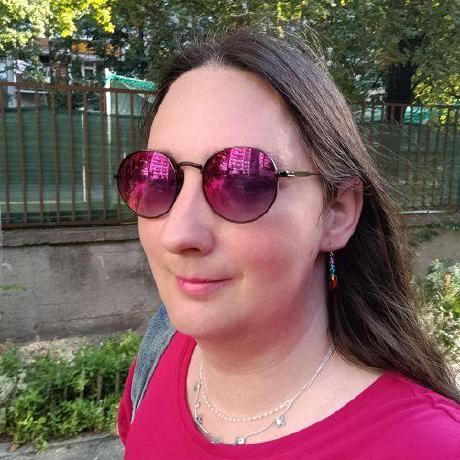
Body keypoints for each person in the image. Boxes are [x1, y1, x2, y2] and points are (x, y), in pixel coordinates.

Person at [116, 27, 460, 459]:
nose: (178, 233)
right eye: (157, 178)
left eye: (242, 181)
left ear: (336, 213)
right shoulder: (159, 351)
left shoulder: (429, 446)